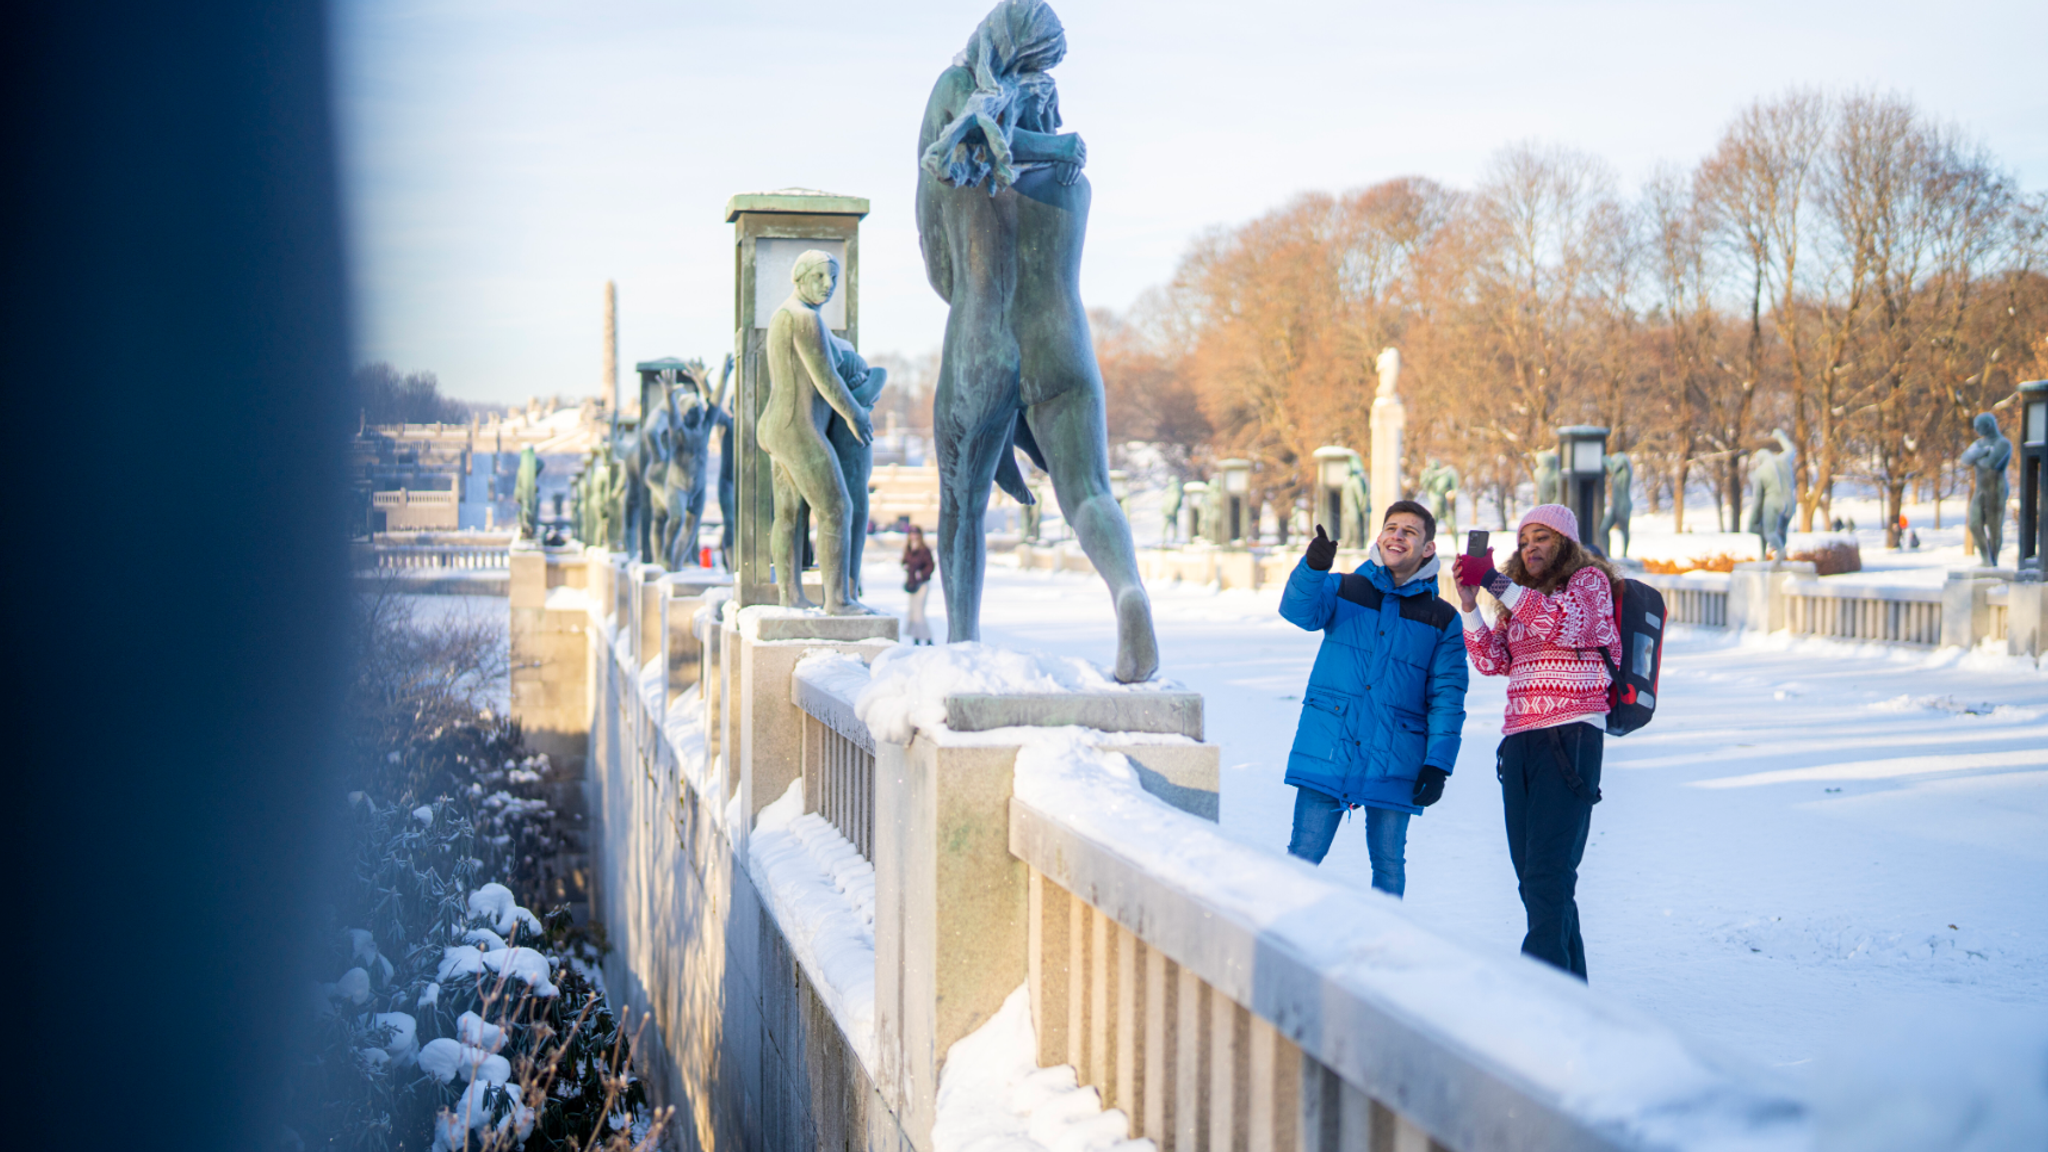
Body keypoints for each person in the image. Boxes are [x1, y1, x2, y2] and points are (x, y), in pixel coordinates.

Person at [1453, 504, 1620, 981]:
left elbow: (1564, 625)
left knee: (1549, 877)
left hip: (1571, 736)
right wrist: (1470, 605)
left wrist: (1498, 583)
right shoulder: (1522, 601)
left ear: (1565, 543)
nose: (1531, 548)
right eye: (1524, 541)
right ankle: (1574, 995)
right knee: (1536, 881)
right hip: (1521, 741)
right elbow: (1492, 660)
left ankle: (1540, 998)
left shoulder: (1588, 585)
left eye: (1542, 537)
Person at [1280, 500, 1468, 898]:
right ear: (1379, 537)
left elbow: (1448, 696)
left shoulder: (1443, 619)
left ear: (1428, 549)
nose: (1397, 536)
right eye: (1391, 528)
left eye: (1410, 532)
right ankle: (1281, 941)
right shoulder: (1343, 587)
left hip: (1395, 756)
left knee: (1388, 865)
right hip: (1329, 745)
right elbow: (1298, 611)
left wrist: (1438, 764)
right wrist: (1313, 568)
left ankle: (1388, 951)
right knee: (1302, 856)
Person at [902, 526, 936, 645]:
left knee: (919, 612)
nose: (914, 536)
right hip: (912, 584)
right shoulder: (908, 548)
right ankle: (916, 638)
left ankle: (928, 638)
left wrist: (920, 574)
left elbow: (930, 566)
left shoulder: (924, 550)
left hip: (922, 584)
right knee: (912, 612)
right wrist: (905, 566)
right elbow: (904, 561)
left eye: (916, 534)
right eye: (912, 534)